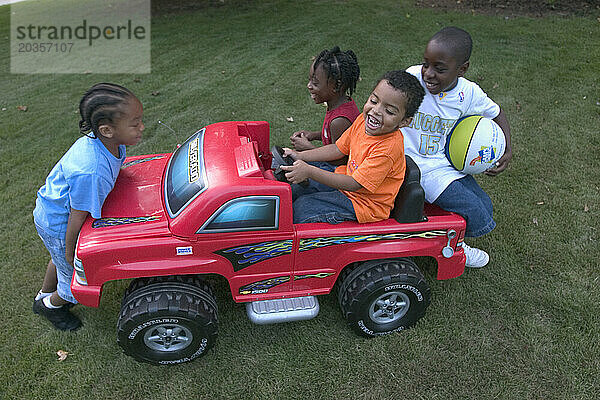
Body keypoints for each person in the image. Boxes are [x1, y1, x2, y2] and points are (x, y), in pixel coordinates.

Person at [32, 83, 144, 331]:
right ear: (107, 130)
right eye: (135, 123)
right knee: (75, 279)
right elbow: (76, 217)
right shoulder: (92, 171)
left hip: (50, 209)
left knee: (58, 260)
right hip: (59, 221)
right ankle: (51, 305)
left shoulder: (110, 143)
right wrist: (73, 255)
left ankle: (43, 294)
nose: (141, 128)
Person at [403, 26, 513, 268]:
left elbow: (496, 112)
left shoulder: (469, 93)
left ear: (462, 69)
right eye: (426, 64)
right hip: (411, 165)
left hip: (441, 163)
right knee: (474, 211)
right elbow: (383, 97)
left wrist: (508, 149)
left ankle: (445, 231)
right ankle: (455, 246)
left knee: (484, 206)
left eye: (439, 68)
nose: (428, 74)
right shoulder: (412, 78)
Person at [281, 70, 425, 224]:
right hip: (346, 181)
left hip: (364, 204)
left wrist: (309, 171)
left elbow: (355, 184)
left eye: (389, 111)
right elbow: (337, 149)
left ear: (404, 122)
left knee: (302, 208)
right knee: (295, 188)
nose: (376, 111)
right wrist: (300, 156)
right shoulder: (363, 121)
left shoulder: (387, 149)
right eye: (374, 101)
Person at [289, 46, 361, 170]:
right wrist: (314, 135)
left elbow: (339, 160)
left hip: (336, 173)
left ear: (336, 86)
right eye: (310, 80)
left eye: (315, 83)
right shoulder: (340, 104)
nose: (309, 86)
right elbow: (334, 139)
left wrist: (308, 148)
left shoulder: (339, 120)